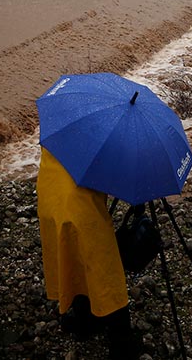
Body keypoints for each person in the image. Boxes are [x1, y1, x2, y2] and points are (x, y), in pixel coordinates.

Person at [37, 146, 141, 357]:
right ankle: (121, 343)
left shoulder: (67, 122)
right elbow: (118, 176)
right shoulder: (103, 137)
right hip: (79, 206)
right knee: (104, 269)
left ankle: (84, 319)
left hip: (50, 193)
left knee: (73, 257)